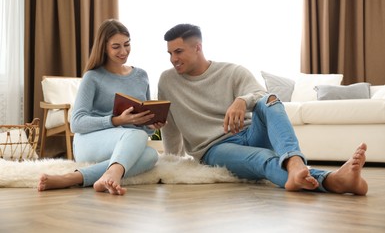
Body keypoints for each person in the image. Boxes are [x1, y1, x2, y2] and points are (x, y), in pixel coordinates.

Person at [158, 23, 368, 195]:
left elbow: (262, 95)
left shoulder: (232, 72)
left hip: (250, 132)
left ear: (198, 47)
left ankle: (294, 162)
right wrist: (172, 161)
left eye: (178, 52)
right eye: (170, 53)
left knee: (270, 100)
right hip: (214, 149)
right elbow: (169, 124)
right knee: (263, 159)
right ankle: (333, 181)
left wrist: (242, 100)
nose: (173, 59)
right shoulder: (168, 81)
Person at [38, 19, 165, 195]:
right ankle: (110, 174)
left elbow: (142, 126)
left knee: (151, 155)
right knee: (137, 135)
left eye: (127, 45)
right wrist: (116, 120)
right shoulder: (93, 77)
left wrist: (150, 125)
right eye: (116, 46)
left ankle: (79, 178)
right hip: (90, 142)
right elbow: (76, 123)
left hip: (125, 142)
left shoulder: (141, 76)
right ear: (103, 47)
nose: (123, 51)